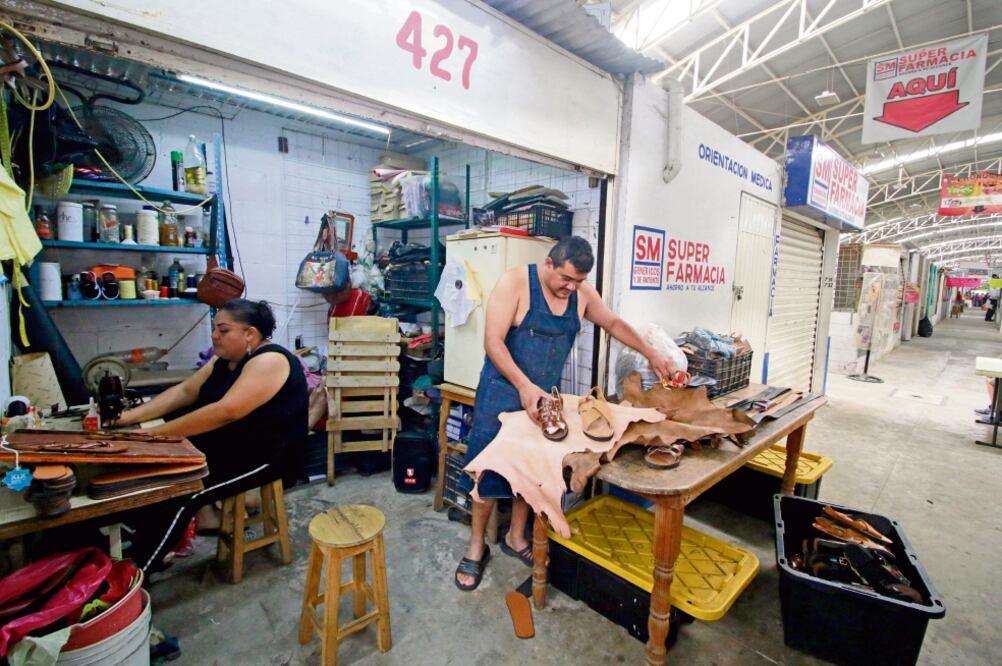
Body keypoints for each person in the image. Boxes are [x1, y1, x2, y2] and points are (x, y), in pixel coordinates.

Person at [454, 236, 675, 591]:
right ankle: (476, 547)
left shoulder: (581, 295)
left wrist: (650, 353)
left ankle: (516, 538)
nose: (571, 288)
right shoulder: (514, 283)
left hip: (546, 399)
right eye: (566, 279)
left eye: (579, 282)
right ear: (549, 265)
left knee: (536, 469)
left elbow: (614, 324)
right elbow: (492, 342)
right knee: (488, 472)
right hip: (502, 390)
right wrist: (524, 387)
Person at [111, 299, 307, 574]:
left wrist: (152, 436)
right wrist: (128, 419)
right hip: (234, 443)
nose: (215, 336)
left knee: (183, 491)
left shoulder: (271, 360)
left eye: (224, 330)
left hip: (268, 455)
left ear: (250, 333)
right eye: (215, 328)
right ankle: (139, 545)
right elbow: (185, 392)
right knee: (156, 472)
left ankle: (138, 573)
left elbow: (226, 411)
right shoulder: (223, 359)